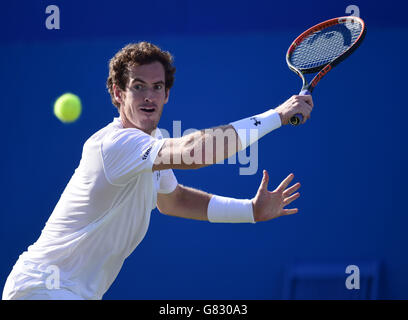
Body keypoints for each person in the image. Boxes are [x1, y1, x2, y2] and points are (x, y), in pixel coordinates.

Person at [2, 42, 313, 300]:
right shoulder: (115, 144)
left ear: (167, 95)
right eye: (138, 87)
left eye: (157, 87)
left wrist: (251, 211)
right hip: (43, 288)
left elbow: (172, 200)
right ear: (117, 94)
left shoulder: (151, 147)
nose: (149, 96)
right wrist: (277, 116)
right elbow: (195, 152)